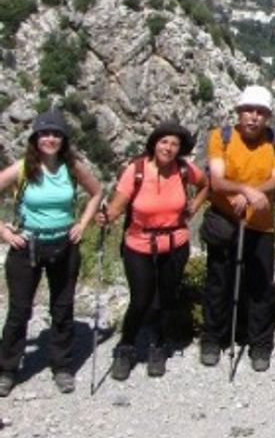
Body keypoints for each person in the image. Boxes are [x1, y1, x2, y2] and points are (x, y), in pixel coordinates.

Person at [0, 110, 104, 395]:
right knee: (20, 311)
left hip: (64, 245)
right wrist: (5, 232)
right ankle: (7, 369)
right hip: (26, 246)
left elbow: (97, 192)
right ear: (35, 138)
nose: (50, 138)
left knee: (62, 308)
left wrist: (82, 223)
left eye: (56, 134)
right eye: (45, 133)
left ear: (63, 139)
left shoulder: (72, 168)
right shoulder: (23, 168)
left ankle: (62, 366)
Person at [100, 121, 208, 380]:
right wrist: (106, 217)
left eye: (174, 144)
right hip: (139, 245)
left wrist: (194, 205)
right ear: (154, 143)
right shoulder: (135, 171)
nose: (169, 148)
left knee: (166, 299)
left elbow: (206, 183)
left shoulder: (184, 169)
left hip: (175, 244)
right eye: (164, 142)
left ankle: (157, 346)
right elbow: (117, 207)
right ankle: (125, 347)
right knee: (141, 299)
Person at [199, 85, 275, 372]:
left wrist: (249, 193)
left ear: (268, 118)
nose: (254, 117)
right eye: (249, 110)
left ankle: (259, 344)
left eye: (261, 112)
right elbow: (217, 180)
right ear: (238, 113)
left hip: (260, 225)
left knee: (260, 286)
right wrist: (248, 192)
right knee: (219, 281)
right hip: (226, 220)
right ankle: (214, 338)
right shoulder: (221, 137)